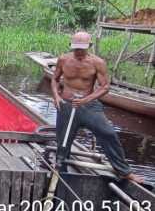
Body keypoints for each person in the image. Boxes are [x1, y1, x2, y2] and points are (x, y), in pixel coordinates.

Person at [51, 31, 142, 182]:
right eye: (76, 48)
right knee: (63, 140)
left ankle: (124, 171)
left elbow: (105, 87)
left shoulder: (97, 62)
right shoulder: (63, 59)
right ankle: (61, 170)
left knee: (108, 133)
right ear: (71, 46)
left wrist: (86, 100)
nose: (78, 51)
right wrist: (56, 97)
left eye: (82, 48)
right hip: (66, 105)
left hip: (89, 106)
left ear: (89, 46)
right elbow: (54, 79)